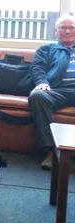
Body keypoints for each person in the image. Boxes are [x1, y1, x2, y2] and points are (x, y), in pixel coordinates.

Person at [29, 14, 75, 170]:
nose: (68, 31)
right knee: (37, 96)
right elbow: (37, 67)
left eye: (71, 27)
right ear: (56, 31)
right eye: (63, 27)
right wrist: (42, 82)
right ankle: (51, 151)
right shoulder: (46, 49)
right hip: (57, 90)